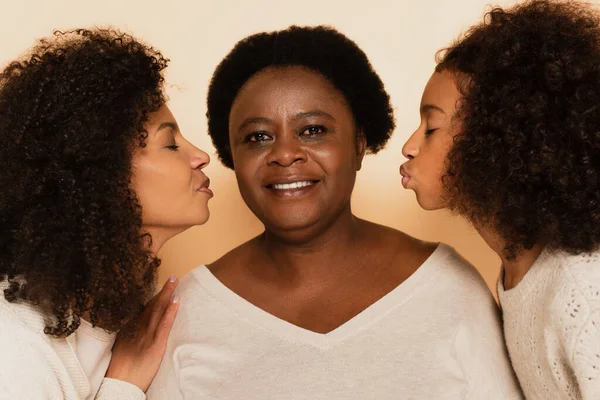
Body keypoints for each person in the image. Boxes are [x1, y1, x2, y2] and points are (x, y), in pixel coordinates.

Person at [149, 25, 522, 399]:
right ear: (232, 157)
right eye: (258, 137)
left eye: (312, 130)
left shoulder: (448, 288)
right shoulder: (186, 311)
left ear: (360, 144)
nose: (284, 154)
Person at [401, 0, 600, 398]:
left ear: (498, 140)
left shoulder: (582, 291)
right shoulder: (518, 276)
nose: (408, 146)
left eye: (431, 127)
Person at [0, 28, 212, 399]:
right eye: (171, 143)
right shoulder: (15, 346)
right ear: (101, 174)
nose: (201, 156)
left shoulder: (126, 298)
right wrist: (123, 387)